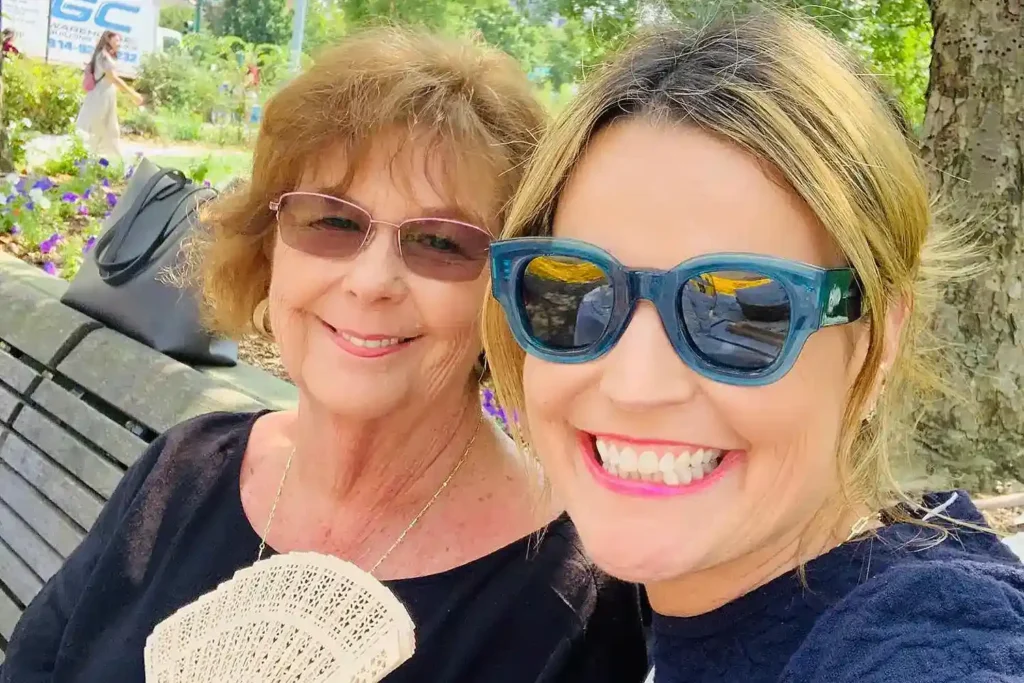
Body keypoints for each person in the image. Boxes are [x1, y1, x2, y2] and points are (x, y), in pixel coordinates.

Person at [1, 29, 649, 683]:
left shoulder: (573, 604)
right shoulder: (180, 471)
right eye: (333, 221)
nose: (372, 282)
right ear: (268, 246)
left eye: (440, 242)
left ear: (508, 290)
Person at [483, 9, 1024, 683]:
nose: (634, 384)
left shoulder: (923, 642)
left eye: (743, 310)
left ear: (876, 341)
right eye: (577, 293)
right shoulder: (668, 592)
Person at [75, 31, 143, 160]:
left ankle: (110, 159)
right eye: (116, 41)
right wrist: (133, 94)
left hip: (104, 95)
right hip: (101, 97)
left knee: (108, 128)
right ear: (108, 41)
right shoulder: (104, 57)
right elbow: (114, 79)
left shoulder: (104, 56)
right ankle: (88, 157)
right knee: (95, 127)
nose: (119, 44)